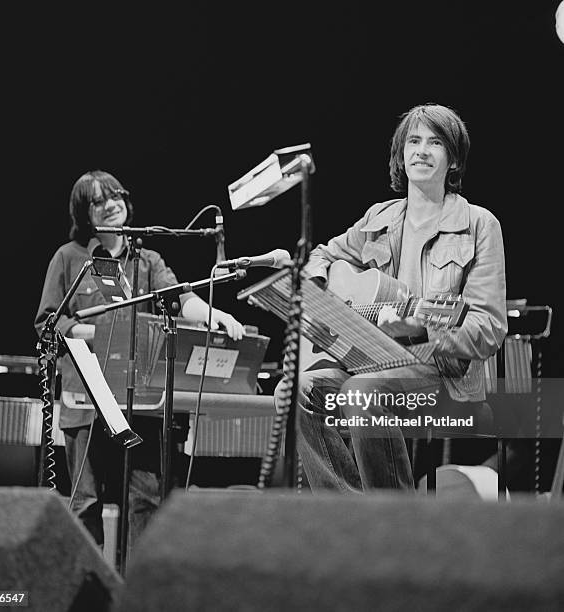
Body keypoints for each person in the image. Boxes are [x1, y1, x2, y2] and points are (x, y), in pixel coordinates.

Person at [284, 103, 507, 492]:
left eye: (435, 142)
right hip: (369, 364)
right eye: (414, 141)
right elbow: (319, 257)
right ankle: (350, 522)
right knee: (299, 389)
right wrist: (326, 298)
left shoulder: (478, 224)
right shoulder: (378, 219)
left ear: (452, 160)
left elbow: (489, 328)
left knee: (362, 392)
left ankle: (394, 522)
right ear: (400, 156)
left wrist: (423, 331)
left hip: (444, 378)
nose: (421, 150)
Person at [35, 169, 244, 551]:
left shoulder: (147, 260)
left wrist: (214, 315)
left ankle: (139, 594)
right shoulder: (68, 258)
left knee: (147, 501)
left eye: (115, 195)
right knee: (86, 503)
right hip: (85, 398)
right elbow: (49, 323)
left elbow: (181, 298)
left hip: (142, 402)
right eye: (98, 201)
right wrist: (96, 335)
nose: (111, 205)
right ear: (84, 213)